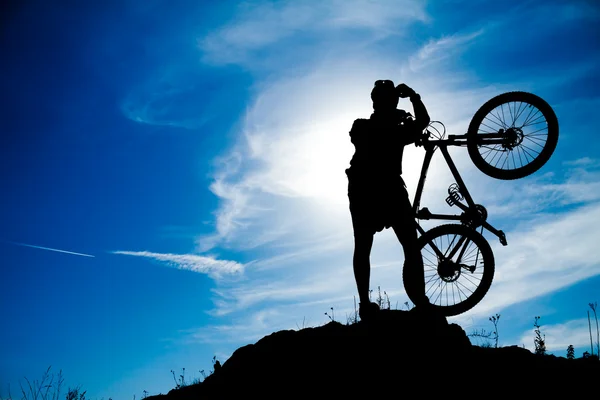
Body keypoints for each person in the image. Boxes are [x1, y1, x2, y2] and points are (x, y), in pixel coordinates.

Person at [346, 80, 431, 321]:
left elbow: (422, 123)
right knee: (373, 246)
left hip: (375, 188)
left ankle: (417, 301)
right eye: (388, 99)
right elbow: (418, 124)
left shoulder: (390, 125)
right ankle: (413, 302)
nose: (390, 103)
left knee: (401, 245)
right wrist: (411, 101)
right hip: (372, 188)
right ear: (376, 101)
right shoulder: (364, 126)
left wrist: (411, 102)